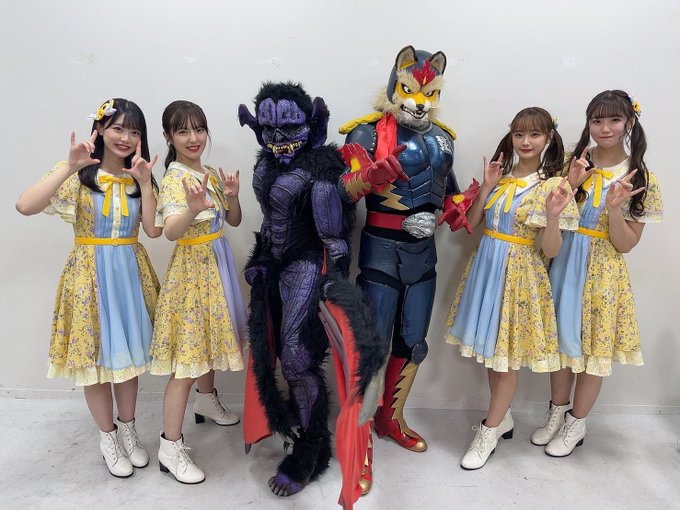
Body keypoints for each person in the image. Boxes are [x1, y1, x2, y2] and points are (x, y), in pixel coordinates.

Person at [16, 98, 161, 478]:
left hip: (128, 274)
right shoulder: (79, 175)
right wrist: (68, 166)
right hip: (89, 276)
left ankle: (129, 430)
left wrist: (146, 183)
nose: (126, 137)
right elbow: (25, 206)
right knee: (94, 361)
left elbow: (152, 229)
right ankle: (107, 437)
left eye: (134, 131)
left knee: (127, 359)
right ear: (100, 130)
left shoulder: (139, 177)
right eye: (118, 128)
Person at [445, 107, 579, 469]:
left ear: (549, 137)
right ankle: (501, 417)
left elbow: (551, 250)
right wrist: (487, 187)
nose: (525, 141)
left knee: (504, 357)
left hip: (519, 276)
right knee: (492, 352)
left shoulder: (553, 186)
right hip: (486, 269)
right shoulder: (501, 177)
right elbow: (472, 223)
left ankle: (489, 430)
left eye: (534, 134)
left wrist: (553, 216)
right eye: (519, 134)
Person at [532, 90, 663, 457]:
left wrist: (615, 208)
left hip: (602, 271)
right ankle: (556, 413)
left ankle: (576, 423)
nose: (605, 128)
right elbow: (548, 215)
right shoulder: (572, 165)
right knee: (561, 342)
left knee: (593, 348)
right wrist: (572, 184)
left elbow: (626, 244)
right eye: (597, 120)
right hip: (563, 260)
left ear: (629, 123)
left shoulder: (641, 178)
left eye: (614, 120)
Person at [151, 100, 246, 483]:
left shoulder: (208, 173)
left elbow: (232, 221)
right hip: (192, 274)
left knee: (207, 342)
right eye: (183, 131)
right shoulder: (174, 178)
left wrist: (232, 195)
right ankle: (169, 446)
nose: (193, 138)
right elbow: (170, 232)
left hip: (216, 266)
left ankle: (206, 401)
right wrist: (191, 209)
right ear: (168, 137)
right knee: (187, 360)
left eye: (199, 129)